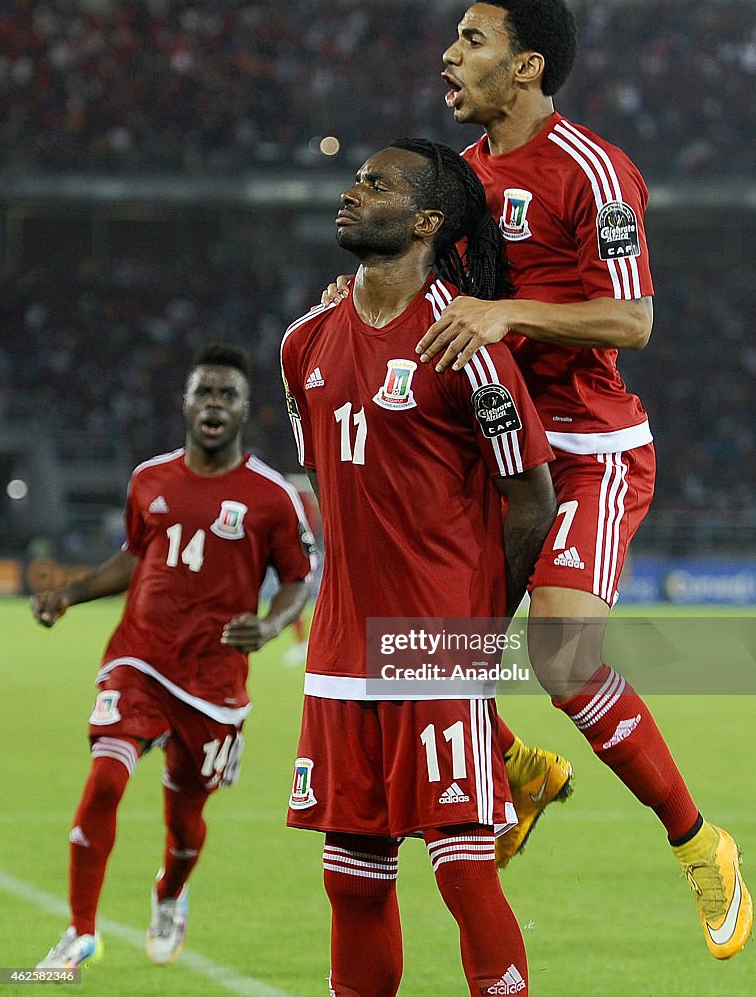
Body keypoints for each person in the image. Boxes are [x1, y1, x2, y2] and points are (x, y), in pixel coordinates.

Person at [323, 0, 753, 962]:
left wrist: (509, 313)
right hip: (492, 447)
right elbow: (430, 285)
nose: (446, 55)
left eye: (468, 40)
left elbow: (632, 320)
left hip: (589, 450)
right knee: (427, 651)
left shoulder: (593, 172)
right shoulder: (459, 177)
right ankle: (515, 770)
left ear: (524, 65)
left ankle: (698, 843)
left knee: (560, 655)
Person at [281, 137, 557, 997]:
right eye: (355, 179)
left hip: (434, 648)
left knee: (465, 874)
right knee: (350, 881)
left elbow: (532, 501)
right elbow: (331, 479)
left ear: (427, 221)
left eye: (376, 184)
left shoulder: (467, 345)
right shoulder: (303, 342)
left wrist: (473, 635)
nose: (352, 191)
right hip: (338, 659)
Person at [33, 342, 314, 970]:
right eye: (204, 392)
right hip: (139, 658)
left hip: (213, 680)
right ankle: (81, 931)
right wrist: (70, 595)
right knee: (106, 776)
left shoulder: (271, 497)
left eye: (227, 395)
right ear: (185, 404)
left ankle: (170, 893)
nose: (214, 404)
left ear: (245, 410)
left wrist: (270, 627)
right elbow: (134, 559)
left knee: (185, 819)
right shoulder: (149, 479)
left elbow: (298, 578)